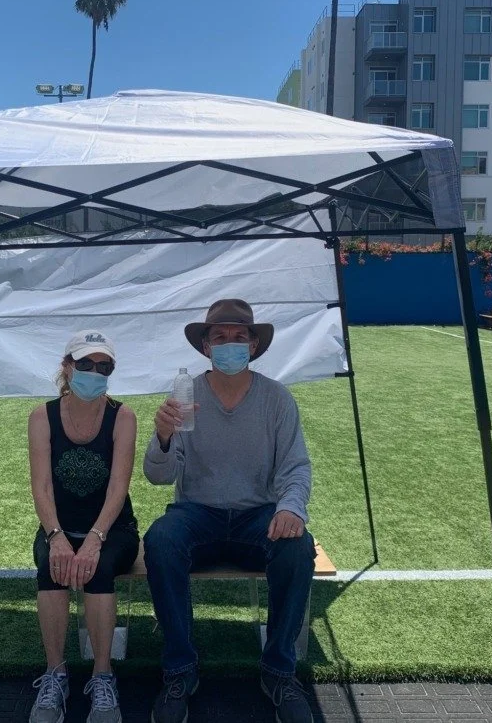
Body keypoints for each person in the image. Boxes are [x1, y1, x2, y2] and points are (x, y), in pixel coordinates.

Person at [143, 299, 316, 723]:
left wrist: (291, 508)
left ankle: (278, 672)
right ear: (205, 347)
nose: (230, 345)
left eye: (240, 337)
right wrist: (162, 437)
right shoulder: (184, 396)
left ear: (255, 345)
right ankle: (180, 671)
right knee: (161, 538)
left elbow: (296, 466)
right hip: (196, 513)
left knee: (299, 546)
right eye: (219, 338)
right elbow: (158, 476)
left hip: (257, 515)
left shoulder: (276, 399)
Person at [27, 330, 140, 723]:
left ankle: (103, 677)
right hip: (59, 527)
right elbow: (40, 485)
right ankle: (55, 674)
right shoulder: (41, 416)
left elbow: (118, 488)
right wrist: (56, 537)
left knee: (100, 569)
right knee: (50, 568)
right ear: (67, 366)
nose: (94, 372)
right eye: (86, 364)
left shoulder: (123, 417)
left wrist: (94, 540)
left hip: (113, 529)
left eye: (103, 366)